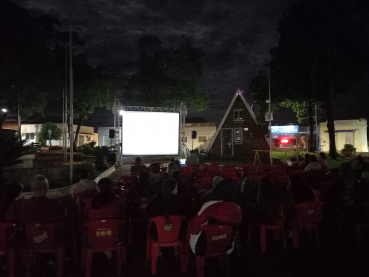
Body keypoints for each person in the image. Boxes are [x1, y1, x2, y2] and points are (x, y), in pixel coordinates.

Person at [188, 179, 242, 255]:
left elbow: (194, 225)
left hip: (203, 246)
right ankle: (222, 263)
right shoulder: (237, 209)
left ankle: (189, 261)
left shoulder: (209, 205)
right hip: (226, 245)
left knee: (189, 230)